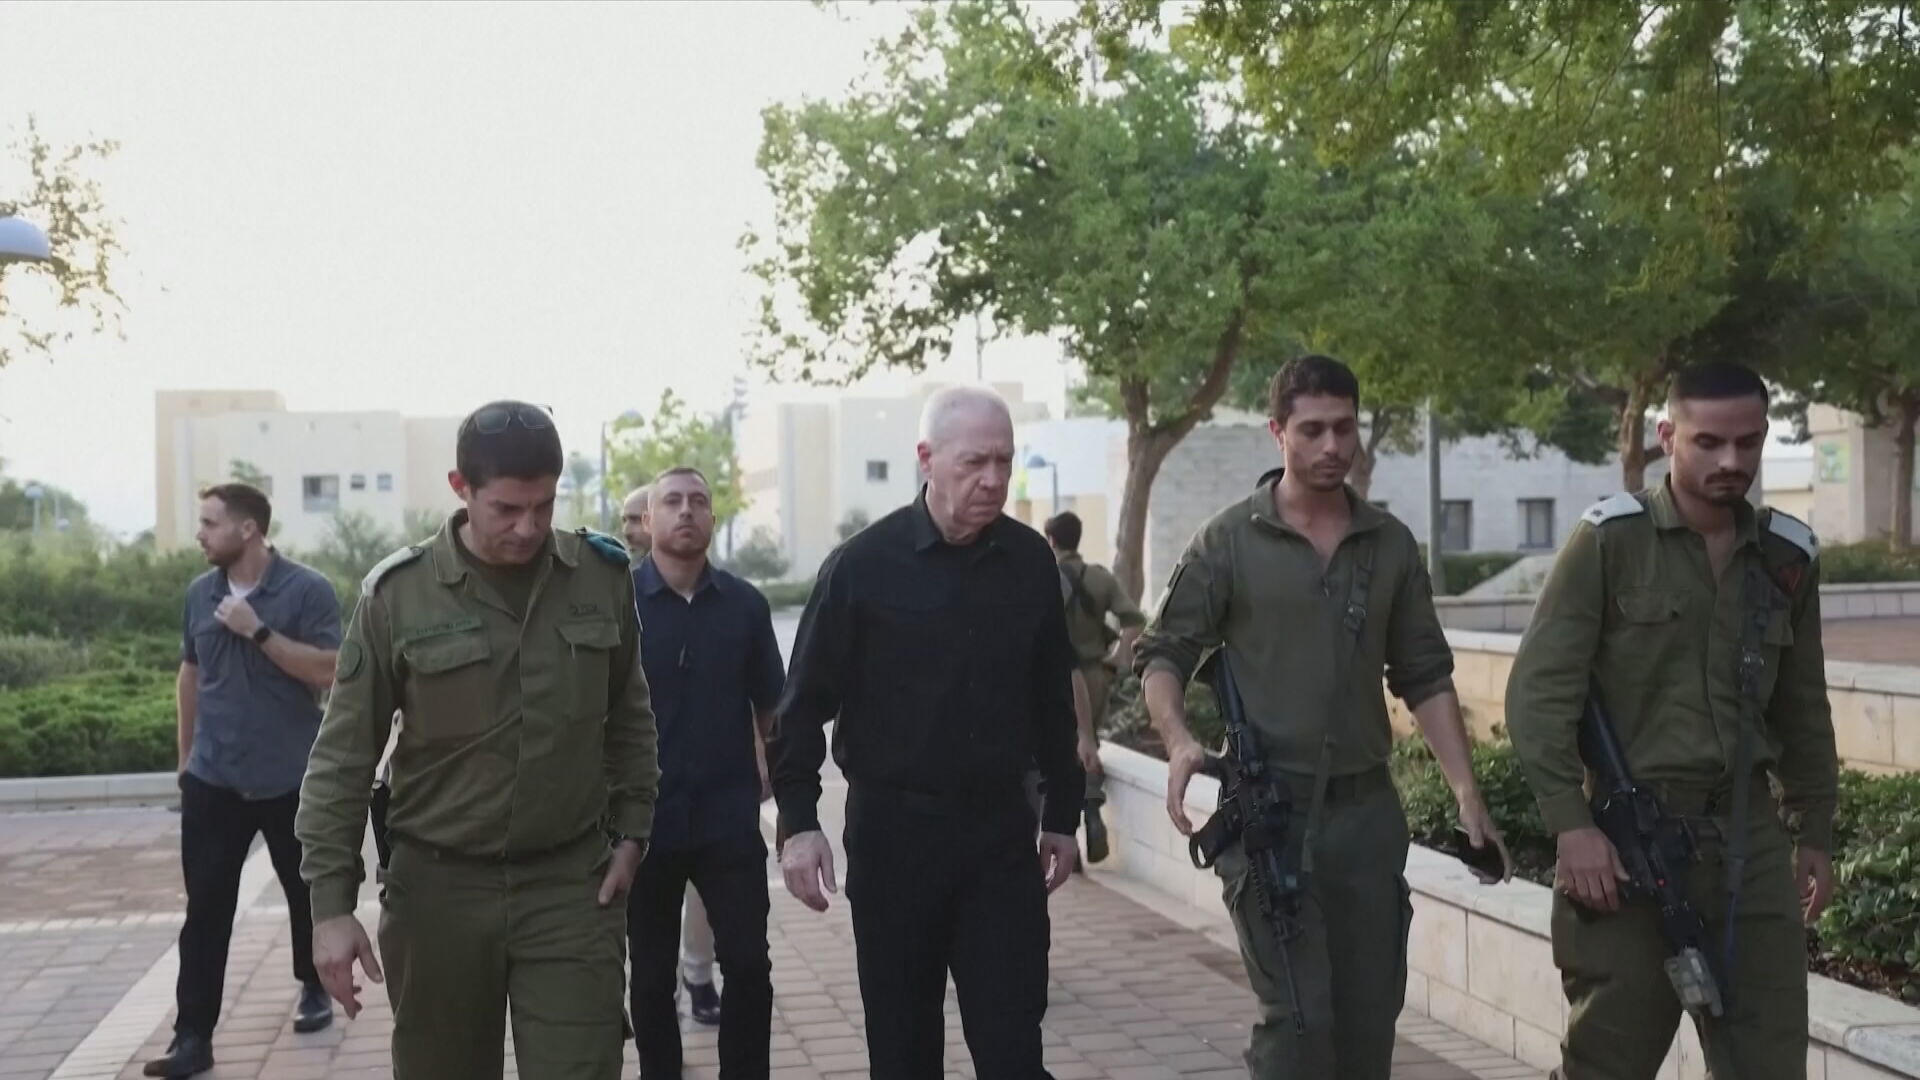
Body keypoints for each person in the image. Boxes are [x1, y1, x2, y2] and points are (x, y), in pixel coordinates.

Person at [1134, 354, 1511, 1080]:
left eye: (1345, 428)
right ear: (1277, 432)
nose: (1332, 446)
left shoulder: (1389, 544)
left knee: (1367, 1028)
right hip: (1271, 817)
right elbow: (1163, 653)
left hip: (1366, 819)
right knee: (1298, 1024)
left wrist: (1466, 792)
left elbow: (1424, 674)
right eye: (1312, 430)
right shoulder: (1229, 540)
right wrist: (1178, 740)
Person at [294, 400, 661, 1080]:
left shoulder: (600, 577)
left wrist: (633, 832)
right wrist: (330, 908)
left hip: (570, 887)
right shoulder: (399, 595)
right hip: (439, 892)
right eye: (507, 509)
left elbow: (630, 718)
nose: (529, 527)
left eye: (544, 506)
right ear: (461, 488)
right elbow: (343, 758)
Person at [1504, 360, 1836, 1080]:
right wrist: (1572, 826)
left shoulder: (1787, 557)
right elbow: (1538, 693)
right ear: (1666, 437)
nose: (1731, 461)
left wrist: (1814, 828)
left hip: (1748, 842)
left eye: (1747, 442)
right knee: (1607, 1062)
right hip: (1630, 845)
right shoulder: (1609, 542)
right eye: (1708, 442)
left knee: (1770, 1064)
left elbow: (1803, 706)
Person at [770, 383, 1084, 1078]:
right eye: (975, 462)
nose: (993, 479)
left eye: (1004, 461)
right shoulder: (861, 567)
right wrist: (799, 824)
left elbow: (1051, 700)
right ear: (926, 459)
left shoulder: (1030, 562)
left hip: (1000, 839)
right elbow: (800, 708)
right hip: (894, 840)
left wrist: (1064, 813)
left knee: (1013, 1049)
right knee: (904, 1050)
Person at [145, 483, 342, 1079]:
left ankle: (314, 986)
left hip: (289, 777)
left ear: (248, 528)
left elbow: (330, 671)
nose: (200, 534)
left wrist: (258, 631)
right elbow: (190, 674)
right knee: (206, 911)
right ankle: (192, 1036)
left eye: (210, 523)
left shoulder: (307, 590)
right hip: (214, 779)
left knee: (305, 895)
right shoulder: (199, 594)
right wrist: (185, 759)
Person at [625, 466, 781, 1078]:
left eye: (698, 501)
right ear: (648, 521)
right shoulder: (617, 605)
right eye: (672, 501)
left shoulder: (745, 605)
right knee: (650, 976)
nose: (686, 511)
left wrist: (781, 786)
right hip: (644, 823)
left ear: (713, 518)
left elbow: (771, 705)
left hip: (727, 819)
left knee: (749, 965)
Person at [622, 481, 722, 1026]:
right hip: (635, 794)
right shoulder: (614, 597)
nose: (629, 529)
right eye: (626, 519)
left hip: (707, 790)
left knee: (704, 899)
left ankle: (699, 976)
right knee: (640, 924)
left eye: (636, 517)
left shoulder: (730, 601)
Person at [1042, 510, 1146, 864]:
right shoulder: (1099, 578)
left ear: (1051, 540)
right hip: (1094, 674)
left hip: (1052, 676)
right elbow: (1134, 620)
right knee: (1087, 745)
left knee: (1056, 751)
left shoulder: (1042, 578)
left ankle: (1067, 830)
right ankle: (1091, 808)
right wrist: (1118, 660)